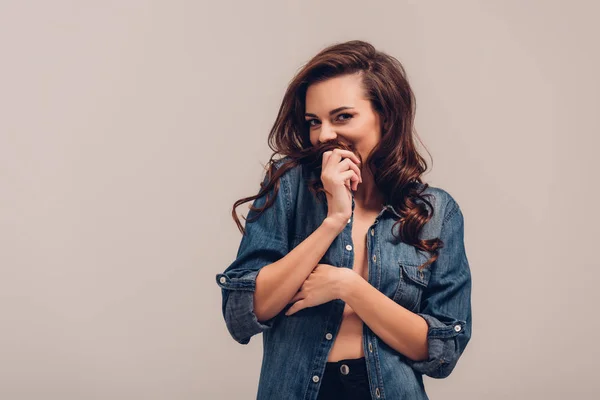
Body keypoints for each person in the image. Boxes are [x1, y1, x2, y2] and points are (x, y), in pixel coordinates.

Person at [215, 40, 472, 400]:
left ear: (386, 116)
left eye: (342, 116)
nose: (324, 135)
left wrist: (347, 286)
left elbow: (442, 351)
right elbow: (242, 314)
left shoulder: (436, 213)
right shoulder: (288, 187)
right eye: (313, 122)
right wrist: (335, 219)